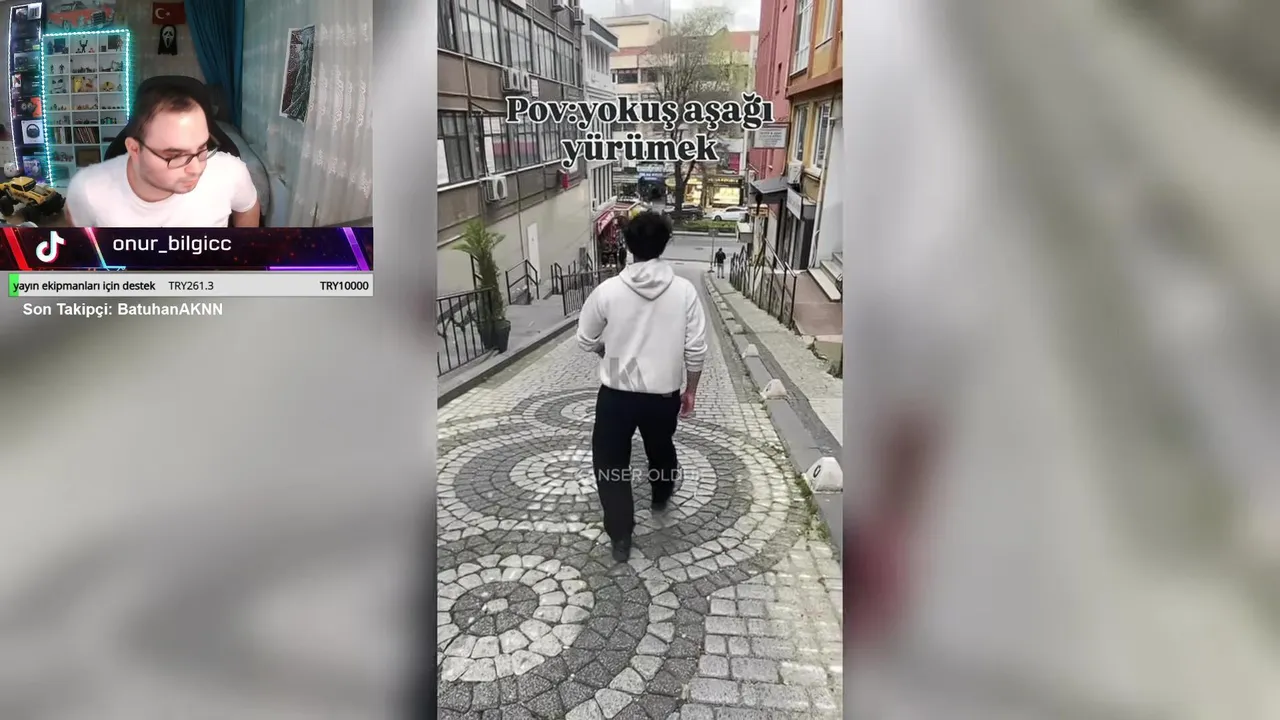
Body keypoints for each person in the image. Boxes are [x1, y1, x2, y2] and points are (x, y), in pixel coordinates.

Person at [577, 211, 708, 563]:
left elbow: (585, 338)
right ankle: (661, 495)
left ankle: (621, 536)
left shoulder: (607, 291)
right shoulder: (684, 291)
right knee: (661, 447)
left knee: (610, 462)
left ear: (628, 245)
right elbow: (696, 348)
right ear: (665, 244)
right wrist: (691, 390)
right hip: (662, 396)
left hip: (616, 395)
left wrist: (605, 350)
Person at [65, 83, 261, 227]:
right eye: (175, 155)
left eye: (202, 148)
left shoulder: (229, 172)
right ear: (134, 149)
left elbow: (247, 208)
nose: (197, 169)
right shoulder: (88, 190)